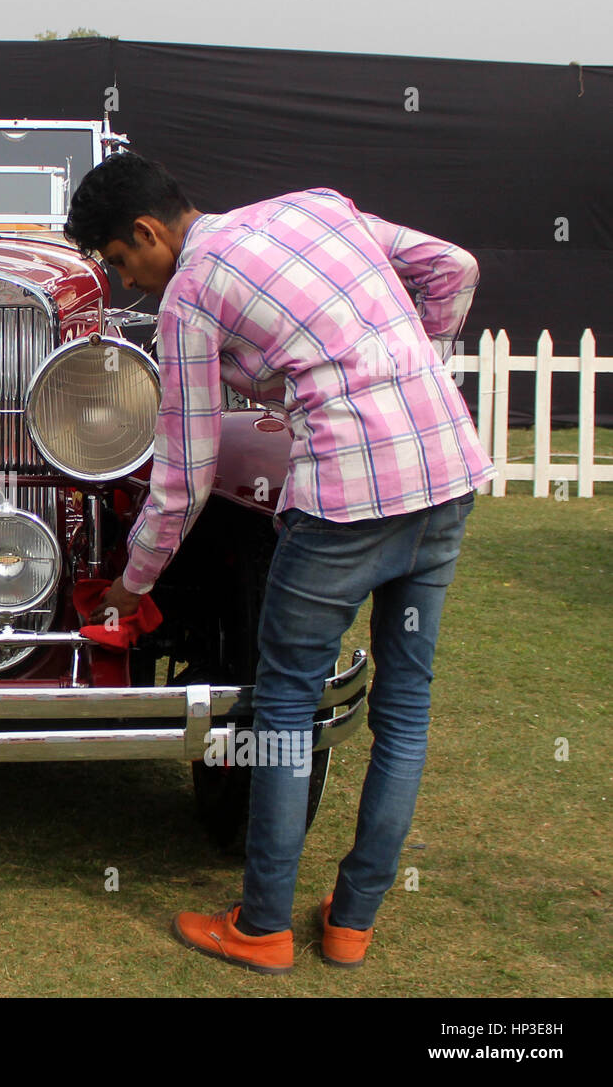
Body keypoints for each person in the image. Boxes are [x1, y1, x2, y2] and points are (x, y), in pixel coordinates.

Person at [64, 152, 495, 974]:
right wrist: (421, 356)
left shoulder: (190, 293)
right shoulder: (319, 208)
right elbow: (453, 266)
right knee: (405, 705)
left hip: (343, 502)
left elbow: (184, 478)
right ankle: (353, 918)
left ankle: (262, 924)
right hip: (446, 471)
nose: (129, 286)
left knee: (285, 709)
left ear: (150, 231)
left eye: (122, 263)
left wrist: (130, 585)